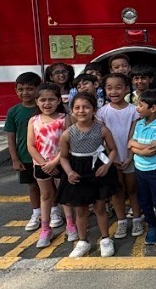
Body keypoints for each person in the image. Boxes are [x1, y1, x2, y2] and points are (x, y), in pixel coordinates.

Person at [57, 92, 121, 257]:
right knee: (81, 210)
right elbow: (63, 157)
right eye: (77, 107)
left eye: (86, 107)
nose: (81, 111)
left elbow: (113, 150)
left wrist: (107, 166)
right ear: (71, 110)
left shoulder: (102, 129)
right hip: (78, 171)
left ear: (94, 109)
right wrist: (69, 172)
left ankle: (105, 239)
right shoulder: (67, 134)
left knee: (100, 207)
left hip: (98, 169)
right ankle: (83, 241)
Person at [26, 82, 75, 247]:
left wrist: (54, 162)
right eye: (43, 100)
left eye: (52, 99)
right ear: (37, 102)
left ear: (59, 100)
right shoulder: (34, 120)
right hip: (41, 165)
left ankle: (70, 224)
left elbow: (68, 143)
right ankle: (46, 228)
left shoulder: (64, 118)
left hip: (61, 162)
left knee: (65, 196)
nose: (47, 103)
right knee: (46, 196)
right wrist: (43, 164)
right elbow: (30, 145)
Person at [97, 73, 143, 239]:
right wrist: (110, 160)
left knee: (132, 189)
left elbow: (134, 136)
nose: (113, 91)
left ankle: (137, 218)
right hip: (111, 160)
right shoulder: (101, 113)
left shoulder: (134, 111)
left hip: (129, 157)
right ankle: (121, 221)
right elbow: (101, 140)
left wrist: (130, 157)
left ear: (126, 89)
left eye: (118, 87)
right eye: (109, 88)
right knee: (117, 191)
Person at [129, 89, 156, 246]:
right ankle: (152, 226)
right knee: (144, 201)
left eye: (140, 105)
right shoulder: (140, 123)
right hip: (139, 169)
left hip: (155, 170)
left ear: (153, 108)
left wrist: (138, 148)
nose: (137, 108)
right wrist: (143, 148)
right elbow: (130, 144)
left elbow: (153, 150)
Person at [3, 72, 42, 232]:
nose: (25, 93)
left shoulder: (44, 107)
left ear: (38, 89)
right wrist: (14, 158)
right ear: (16, 90)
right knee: (32, 186)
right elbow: (11, 137)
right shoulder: (13, 112)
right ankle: (36, 213)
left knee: (50, 186)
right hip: (25, 156)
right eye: (21, 89)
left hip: (45, 156)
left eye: (29, 89)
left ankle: (54, 212)